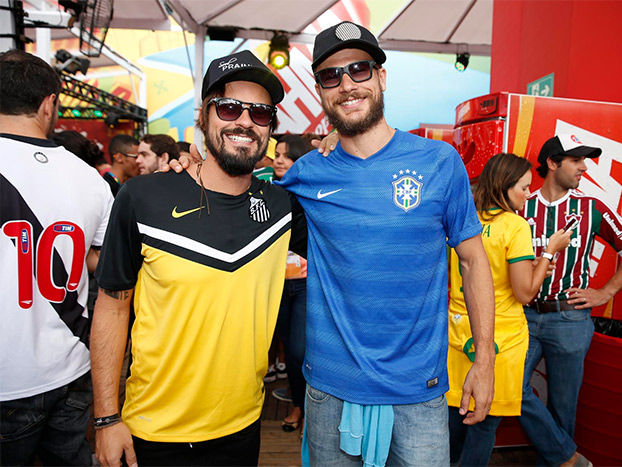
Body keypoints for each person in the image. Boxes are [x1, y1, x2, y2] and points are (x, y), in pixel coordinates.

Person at [276, 21, 496, 466]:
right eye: (331, 76)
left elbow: (473, 262)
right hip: (329, 389)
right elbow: (236, 190)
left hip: (418, 391)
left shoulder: (438, 162)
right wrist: (188, 166)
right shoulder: (308, 172)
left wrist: (485, 359)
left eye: (359, 69)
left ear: (381, 76)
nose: (347, 84)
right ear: (320, 90)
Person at [90, 50, 307, 467]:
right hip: (152, 432)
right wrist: (105, 418)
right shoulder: (144, 197)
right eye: (229, 107)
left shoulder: (281, 207)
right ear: (204, 117)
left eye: (260, 113)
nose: (245, 121)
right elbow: (113, 308)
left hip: (243, 426)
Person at [0, 49, 113, 466]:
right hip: (74, 363)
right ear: (50, 103)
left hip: (6, 379)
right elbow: (103, 264)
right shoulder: (90, 178)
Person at [518, 135, 622, 463]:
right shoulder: (521, 206)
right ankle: (569, 459)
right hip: (525, 315)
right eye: (576, 161)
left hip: (570, 319)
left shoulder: (592, 208)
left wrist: (607, 291)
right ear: (552, 163)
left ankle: (557, 461)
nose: (585, 168)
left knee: (563, 407)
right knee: (510, 389)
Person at [446, 153, 576, 466]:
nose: (528, 193)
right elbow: (524, 292)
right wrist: (549, 253)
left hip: (457, 331)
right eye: (523, 187)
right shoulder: (515, 227)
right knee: (485, 420)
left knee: (456, 415)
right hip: (500, 338)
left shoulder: (464, 219)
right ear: (505, 186)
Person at [270, 134, 310, 433]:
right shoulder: (267, 194)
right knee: (288, 349)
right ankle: (299, 405)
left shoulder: (314, 193)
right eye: (278, 154)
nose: (279, 159)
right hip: (277, 284)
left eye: (286, 155)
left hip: (308, 284)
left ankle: (308, 408)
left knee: (298, 351)